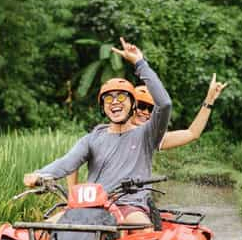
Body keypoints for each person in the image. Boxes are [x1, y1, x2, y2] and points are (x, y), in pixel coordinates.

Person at [23, 37, 171, 227]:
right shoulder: (92, 139)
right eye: (108, 99)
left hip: (129, 206)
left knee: (143, 229)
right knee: (41, 230)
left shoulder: (147, 135)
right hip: (90, 207)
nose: (115, 102)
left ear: (133, 105)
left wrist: (139, 63)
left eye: (121, 97)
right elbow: (67, 163)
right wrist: (41, 174)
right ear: (103, 108)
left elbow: (164, 104)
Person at [66, 74, 228, 188]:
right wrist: (74, 196)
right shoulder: (102, 134)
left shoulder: (149, 136)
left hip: (132, 201)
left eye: (150, 109)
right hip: (98, 200)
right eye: (142, 107)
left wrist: (209, 100)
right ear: (131, 106)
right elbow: (72, 161)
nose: (145, 112)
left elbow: (192, 133)